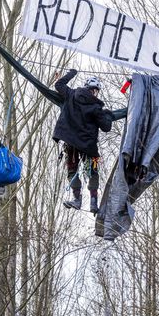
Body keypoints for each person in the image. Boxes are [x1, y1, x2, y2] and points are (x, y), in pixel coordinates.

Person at [52, 69, 113, 213]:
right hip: (88, 147)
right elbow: (106, 127)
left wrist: (72, 73)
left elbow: (59, 84)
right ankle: (93, 202)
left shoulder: (71, 94)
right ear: (95, 91)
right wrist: (108, 115)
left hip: (71, 143)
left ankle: (77, 199)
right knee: (93, 172)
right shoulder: (97, 107)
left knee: (72, 170)